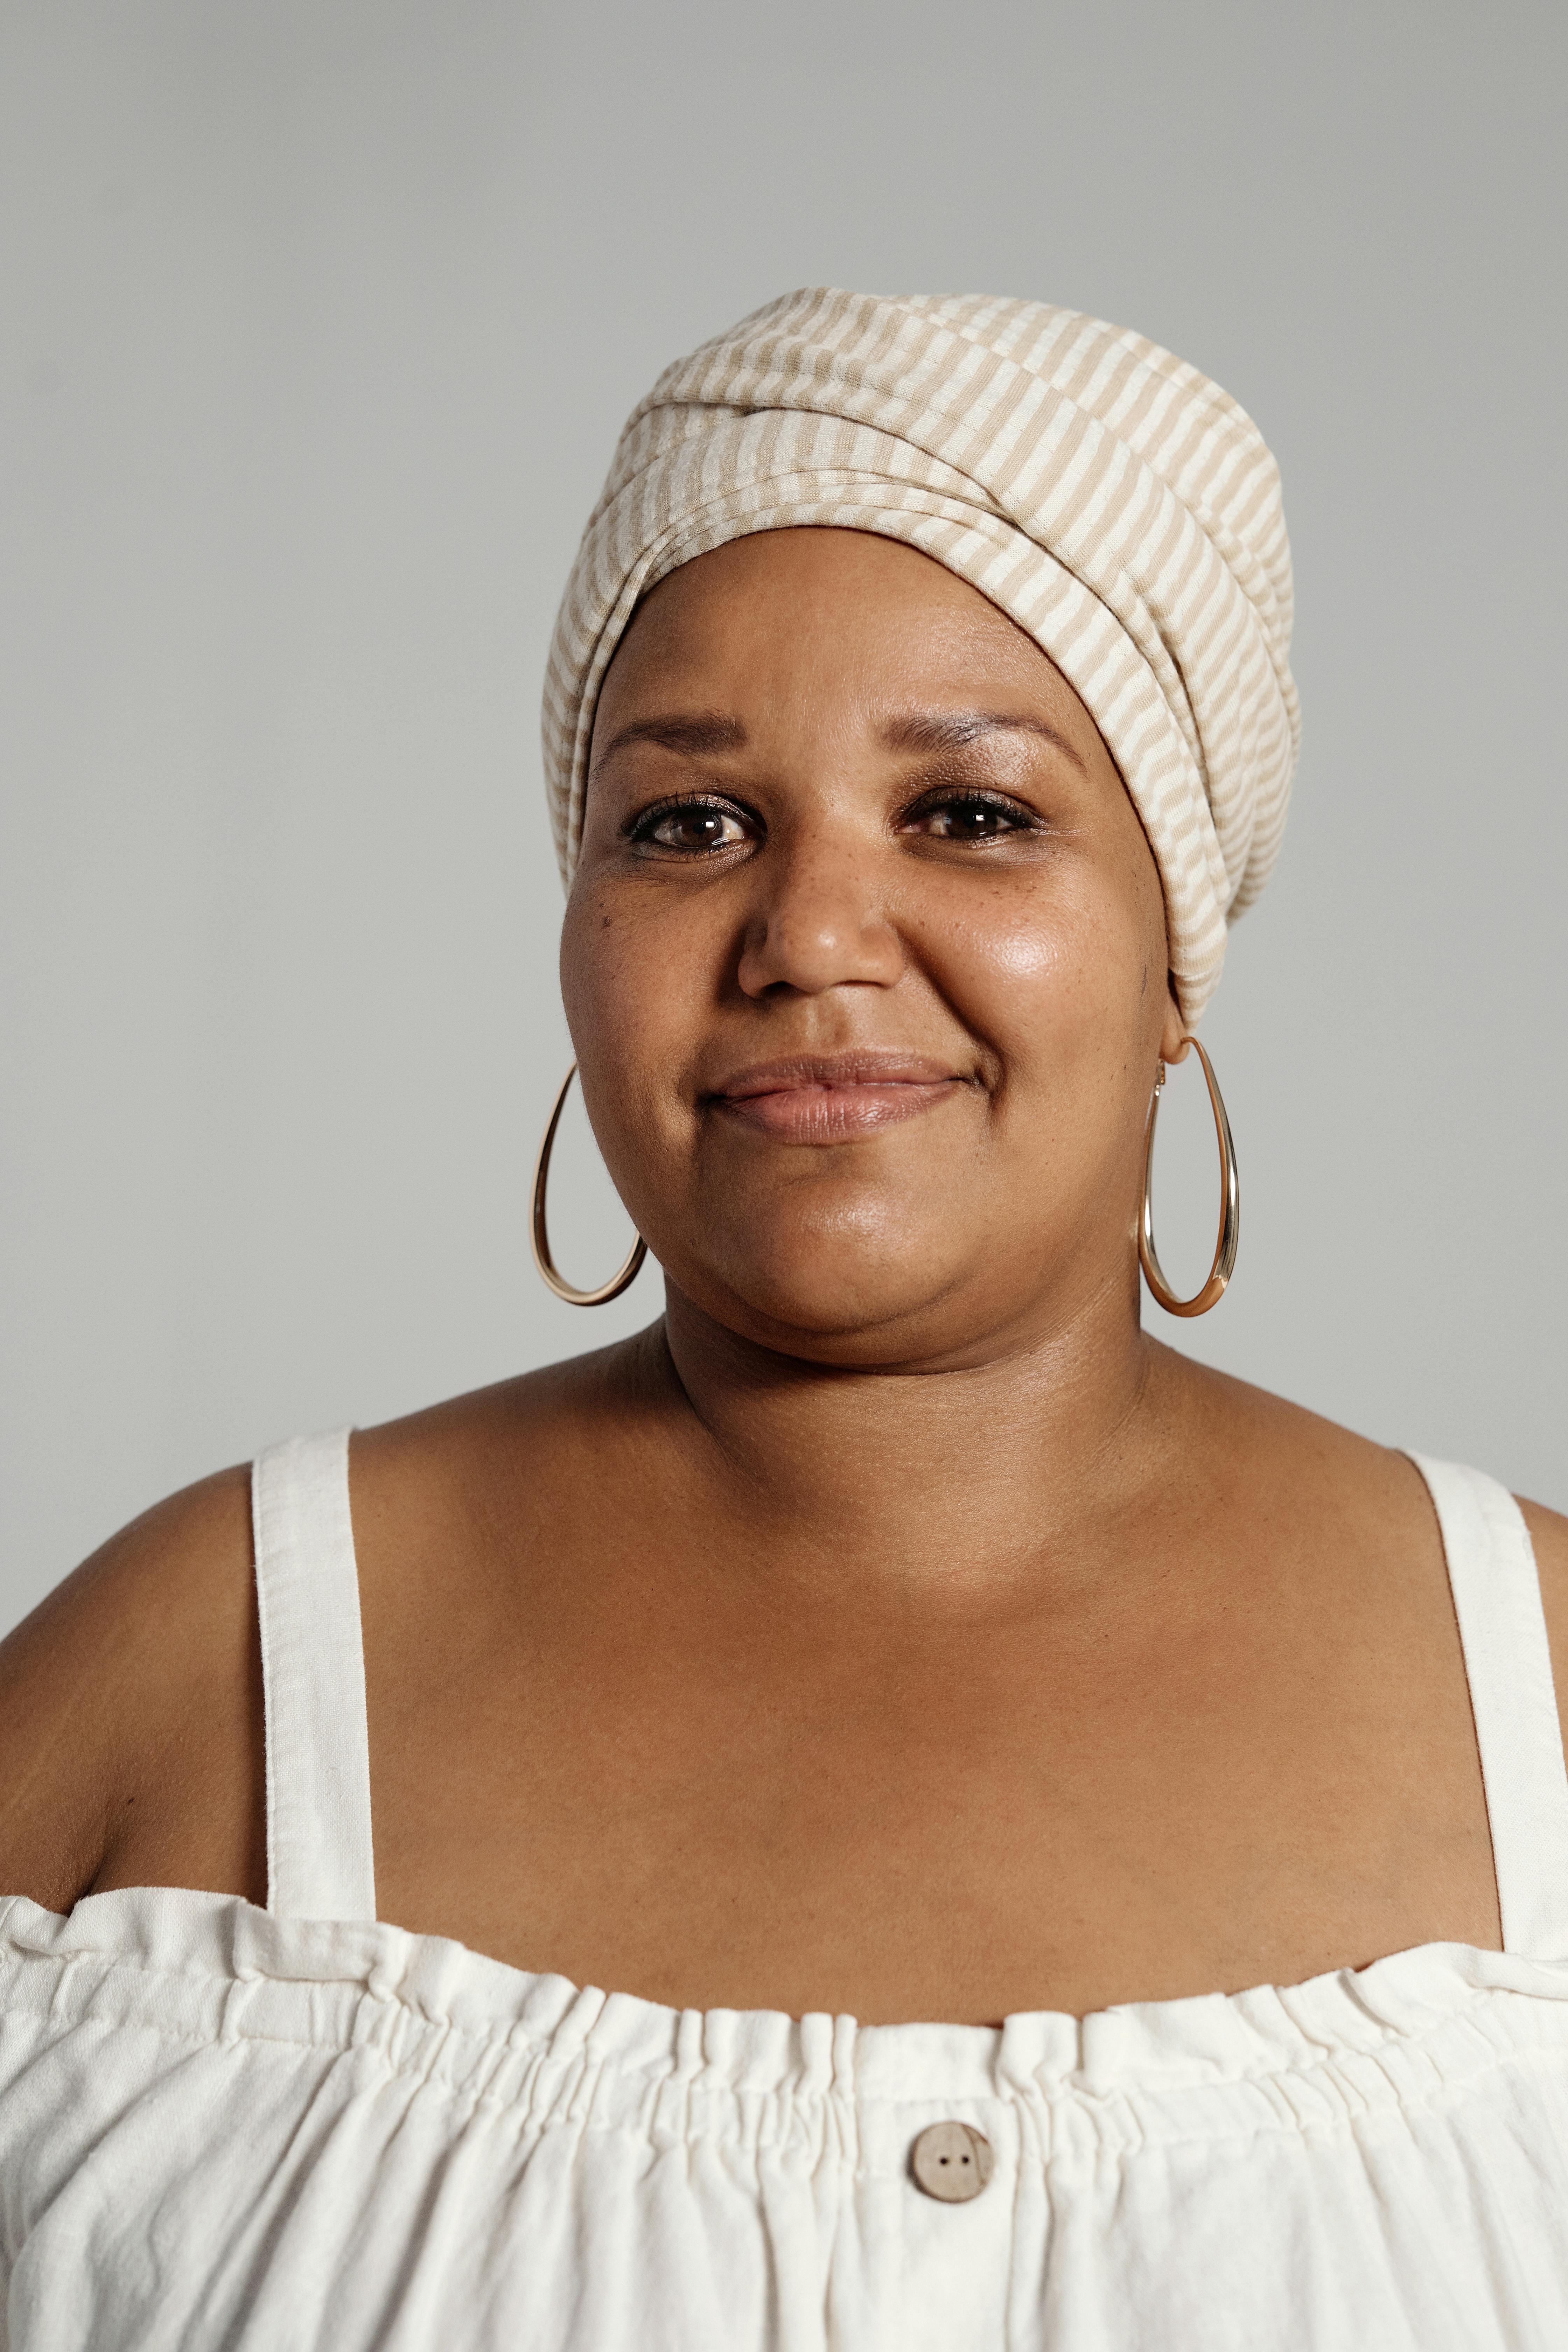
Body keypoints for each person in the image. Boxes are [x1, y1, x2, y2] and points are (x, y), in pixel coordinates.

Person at [2, 287, 1565, 2350]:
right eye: (689, 823)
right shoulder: (195, 1672)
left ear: (1178, 949)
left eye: (972, 813)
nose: (811, 935)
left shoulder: (1543, 1686)